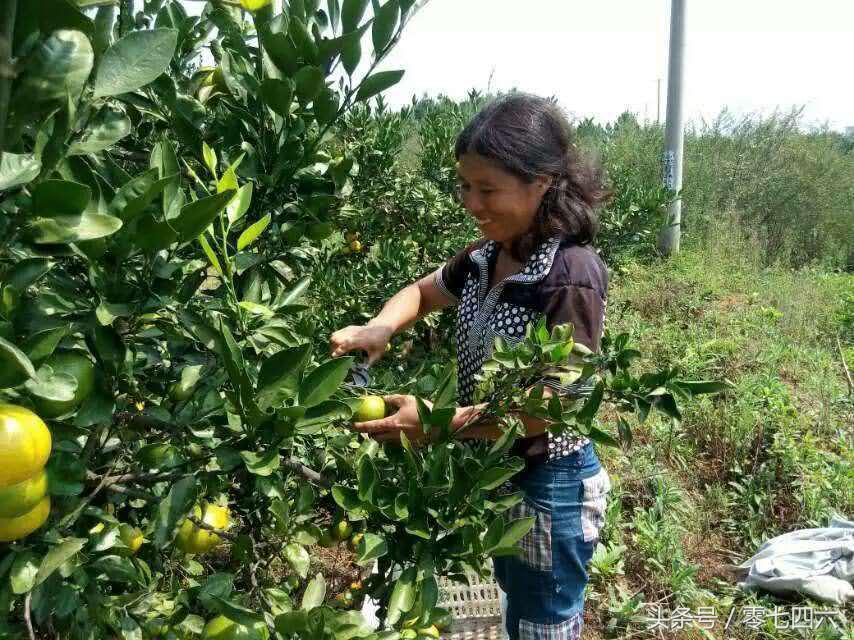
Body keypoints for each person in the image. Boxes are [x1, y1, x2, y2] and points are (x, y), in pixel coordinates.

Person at [329, 93, 613, 640]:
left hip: (547, 481)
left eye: (488, 189)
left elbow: (551, 408)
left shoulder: (569, 275)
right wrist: (381, 327)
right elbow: (422, 292)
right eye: (466, 186)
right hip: (498, 470)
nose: (472, 203)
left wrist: (439, 423)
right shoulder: (487, 255)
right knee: (520, 607)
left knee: (544, 625)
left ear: (541, 182)